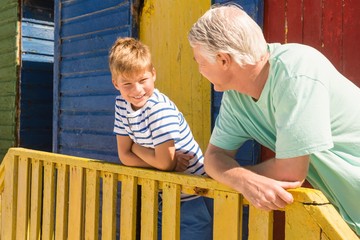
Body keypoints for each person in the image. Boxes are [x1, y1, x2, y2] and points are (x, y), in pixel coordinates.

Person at [187, 3, 360, 235]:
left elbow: (291, 172)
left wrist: (238, 177)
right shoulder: (236, 98)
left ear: (223, 60)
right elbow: (214, 157)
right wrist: (242, 180)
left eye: (200, 61)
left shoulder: (295, 71)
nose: (199, 69)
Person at [109, 37, 213, 240]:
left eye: (142, 80)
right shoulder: (121, 105)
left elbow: (162, 162)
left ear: (153, 74)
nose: (137, 90)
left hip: (194, 194)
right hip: (164, 193)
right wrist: (161, 161)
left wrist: (137, 148)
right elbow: (124, 156)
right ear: (116, 83)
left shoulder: (159, 109)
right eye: (127, 83)